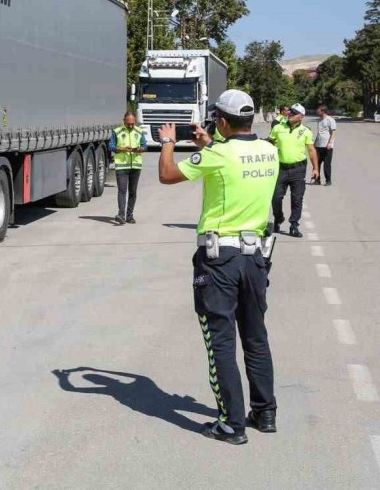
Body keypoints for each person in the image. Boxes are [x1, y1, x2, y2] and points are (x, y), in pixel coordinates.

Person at [157, 89, 279, 446]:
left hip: (219, 261)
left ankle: (231, 424)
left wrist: (168, 142)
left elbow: (167, 174)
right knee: (256, 337)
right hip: (255, 259)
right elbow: (235, 158)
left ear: (223, 121)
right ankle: (264, 412)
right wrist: (210, 141)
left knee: (221, 342)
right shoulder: (268, 151)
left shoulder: (217, 155)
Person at [268, 104, 319, 237]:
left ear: (301, 117)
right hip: (280, 168)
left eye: (294, 113)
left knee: (297, 198)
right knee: (276, 197)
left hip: (298, 169)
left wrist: (316, 168)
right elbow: (269, 145)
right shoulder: (278, 128)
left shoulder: (306, 131)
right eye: (290, 111)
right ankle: (278, 218)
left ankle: (294, 225)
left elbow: (312, 150)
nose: (290, 114)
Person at [108, 111, 148, 224]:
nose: (130, 126)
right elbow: (110, 146)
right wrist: (121, 149)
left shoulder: (139, 131)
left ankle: (129, 215)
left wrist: (141, 149)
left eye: (132, 123)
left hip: (135, 165)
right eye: (128, 123)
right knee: (122, 190)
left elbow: (145, 146)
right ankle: (121, 215)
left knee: (133, 192)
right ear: (124, 121)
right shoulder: (117, 132)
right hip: (122, 166)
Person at [314, 105, 337, 186]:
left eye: (318, 110)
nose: (317, 112)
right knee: (317, 163)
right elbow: (319, 133)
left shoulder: (330, 120)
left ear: (323, 111)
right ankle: (317, 180)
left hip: (327, 146)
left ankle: (328, 180)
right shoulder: (319, 120)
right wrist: (315, 143)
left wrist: (330, 143)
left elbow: (333, 132)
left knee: (327, 164)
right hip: (318, 145)